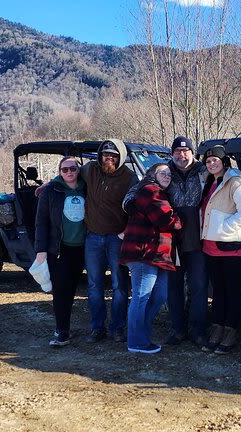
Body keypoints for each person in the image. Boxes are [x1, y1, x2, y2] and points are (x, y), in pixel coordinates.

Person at [119, 163, 182, 354]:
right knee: (141, 296)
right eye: (162, 172)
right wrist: (180, 219)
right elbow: (167, 220)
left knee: (159, 295)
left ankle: (142, 333)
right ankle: (137, 342)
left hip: (158, 253)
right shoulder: (150, 190)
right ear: (151, 174)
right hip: (143, 251)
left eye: (169, 173)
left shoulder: (160, 193)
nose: (167, 176)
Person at [199, 145, 241, 354]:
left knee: (233, 292)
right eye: (208, 161)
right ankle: (217, 329)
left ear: (224, 161)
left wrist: (225, 228)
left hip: (232, 247)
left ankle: (230, 332)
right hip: (210, 246)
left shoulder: (237, 182)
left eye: (215, 160)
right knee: (219, 292)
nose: (212, 164)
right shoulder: (210, 182)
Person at [81, 139, 138, 343]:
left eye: (113, 155)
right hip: (93, 236)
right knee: (94, 285)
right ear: (100, 155)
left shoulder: (130, 178)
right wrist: (49, 185)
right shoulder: (90, 170)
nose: (109, 158)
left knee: (119, 285)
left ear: (120, 157)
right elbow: (68, 175)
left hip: (117, 237)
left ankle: (117, 328)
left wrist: (127, 230)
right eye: (106, 154)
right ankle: (97, 328)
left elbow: (137, 207)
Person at [33, 156, 86, 347]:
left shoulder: (86, 187)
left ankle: (65, 326)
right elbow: (41, 222)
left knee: (72, 289)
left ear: (79, 170)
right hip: (59, 249)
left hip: (81, 248)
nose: (69, 172)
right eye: (65, 170)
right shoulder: (51, 191)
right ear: (59, 172)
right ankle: (62, 331)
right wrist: (40, 250)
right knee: (61, 291)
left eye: (73, 168)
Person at [162, 136, 209, 346]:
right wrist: (131, 204)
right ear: (172, 154)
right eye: (177, 152)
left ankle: (197, 329)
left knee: (199, 285)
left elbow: (229, 178)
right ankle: (177, 328)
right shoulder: (163, 172)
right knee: (174, 286)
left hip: (198, 239)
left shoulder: (204, 171)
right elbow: (140, 189)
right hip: (172, 240)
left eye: (186, 151)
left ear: (192, 152)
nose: (182, 155)